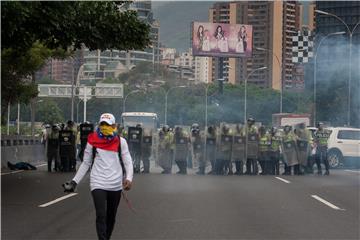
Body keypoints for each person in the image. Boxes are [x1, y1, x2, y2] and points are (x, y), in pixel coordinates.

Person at [63, 113, 133, 240]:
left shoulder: (121, 142)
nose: (104, 127)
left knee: (111, 217)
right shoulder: (92, 141)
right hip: (98, 182)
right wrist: (74, 182)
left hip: (115, 184)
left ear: (114, 126)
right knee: (101, 214)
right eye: (102, 124)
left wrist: (129, 178)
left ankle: (107, 237)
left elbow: (128, 161)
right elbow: (86, 163)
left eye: (107, 124)